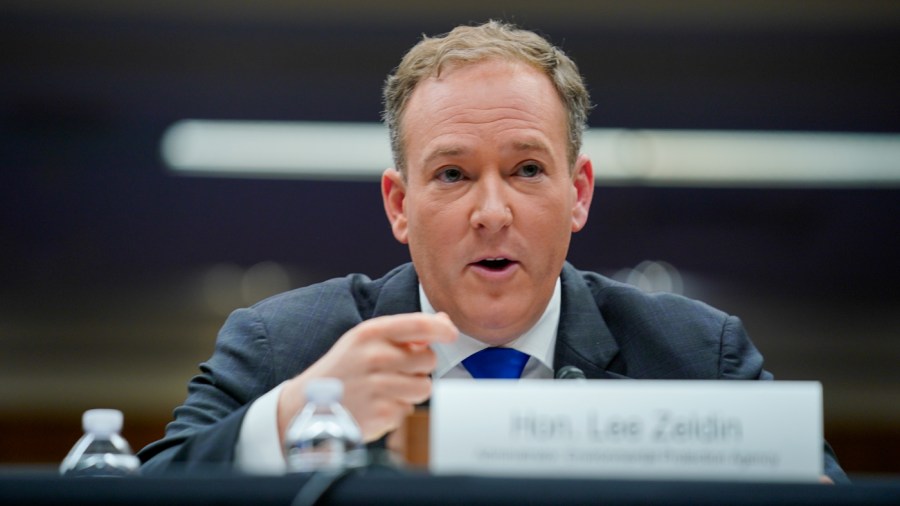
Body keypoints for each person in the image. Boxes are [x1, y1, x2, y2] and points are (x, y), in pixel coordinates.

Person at [138, 20, 847, 483]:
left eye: (527, 169)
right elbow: (135, 491)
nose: (492, 213)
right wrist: (298, 413)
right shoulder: (284, 347)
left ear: (579, 193)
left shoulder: (695, 357)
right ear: (399, 205)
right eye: (452, 174)